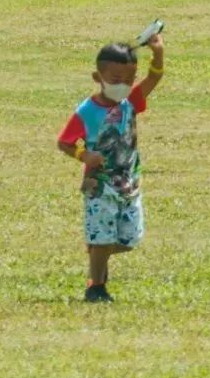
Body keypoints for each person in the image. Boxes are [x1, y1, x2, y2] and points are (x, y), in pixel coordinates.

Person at [56, 32, 166, 303]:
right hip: (100, 185)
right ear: (99, 78)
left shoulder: (130, 102)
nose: (124, 86)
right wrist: (84, 155)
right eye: (116, 81)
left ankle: (97, 252)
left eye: (129, 80)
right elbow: (65, 142)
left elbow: (153, 78)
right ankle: (96, 286)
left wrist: (158, 53)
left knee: (129, 239)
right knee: (103, 237)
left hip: (129, 183)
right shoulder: (86, 111)